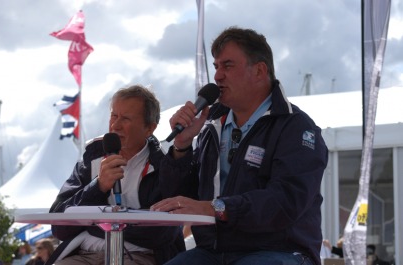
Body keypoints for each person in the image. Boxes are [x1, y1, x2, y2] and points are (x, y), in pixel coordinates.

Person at [151, 26, 328, 265]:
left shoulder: (295, 128)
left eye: (228, 66)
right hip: (212, 252)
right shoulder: (210, 127)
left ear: (259, 71)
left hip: (279, 251)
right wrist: (182, 148)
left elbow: (285, 202)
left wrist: (217, 208)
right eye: (216, 67)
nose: (217, 76)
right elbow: (184, 200)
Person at [48, 85, 185, 265]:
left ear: (149, 128)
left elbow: (161, 233)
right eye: (114, 116)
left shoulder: (164, 167)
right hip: (84, 255)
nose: (115, 125)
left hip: (139, 257)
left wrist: (98, 223)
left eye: (126, 118)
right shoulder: (91, 160)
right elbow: (59, 225)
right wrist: (98, 187)